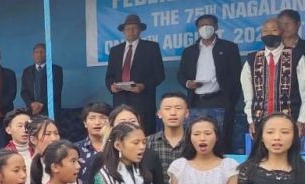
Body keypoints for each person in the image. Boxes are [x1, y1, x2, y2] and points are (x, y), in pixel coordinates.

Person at [176, 14, 242, 152]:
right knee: (198, 138)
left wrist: (231, 100)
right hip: (196, 101)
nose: (205, 28)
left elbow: (236, 76)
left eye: (208, 25)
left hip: (221, 100)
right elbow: (181, 74)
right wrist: (188, 83)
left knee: (222, 139)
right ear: (197, 29)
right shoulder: (189, 51)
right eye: (201, 25)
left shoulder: (229, 48)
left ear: (216, 27)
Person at [240, 17, 305, 136]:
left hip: (290, 121)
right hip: (260, 122)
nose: (269, 34)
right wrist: (250, 120)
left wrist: (302, 120)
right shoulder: (252, 59)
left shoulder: (296, 56)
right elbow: (248, 96)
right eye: (265, 31)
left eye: (274, 30)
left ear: (282, 33)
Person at [105, 14, 166, 135]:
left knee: (145, 135)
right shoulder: (115, 50)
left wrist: (143, 86)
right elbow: (109, 76)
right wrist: (111, 87)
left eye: (134, 28)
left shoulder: (151, 48)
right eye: (127, 29)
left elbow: (159, 75)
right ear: (123, 31)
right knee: (121, 135)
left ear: (140, 30)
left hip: (143, 102)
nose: (131, 31)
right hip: (120, 101)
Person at [21, 43, 64, 119]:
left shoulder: (56, 70)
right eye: (36, 52)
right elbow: (24, 92)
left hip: (50, 110)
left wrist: (41, 104)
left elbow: (56, 90)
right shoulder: (27, 71)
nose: (39, 54)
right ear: (33, 55)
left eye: (42, 52)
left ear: (47, 54)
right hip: (33, 110)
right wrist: (31, 104)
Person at [75, 102, 110, 184]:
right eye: (92, 118)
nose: (97, 122)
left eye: (102, 118)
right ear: (85, 123)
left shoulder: (117, 147)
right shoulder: (75, 149)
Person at [25, 116, 59, 184]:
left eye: (56, 133)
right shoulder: (25, 167)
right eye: (48, 134)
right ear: (33, 140)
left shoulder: (64, 164)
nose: (54, 138)